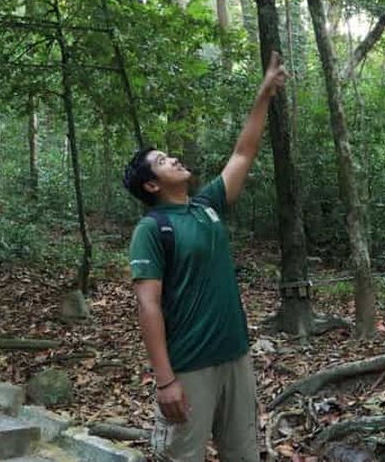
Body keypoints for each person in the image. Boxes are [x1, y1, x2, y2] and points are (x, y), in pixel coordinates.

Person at [122, 52, 287, 462]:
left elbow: (243, 154)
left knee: (244, 454)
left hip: (236, 357)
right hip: (190, 367)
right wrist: (165, 381)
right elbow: (148, 305)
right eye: (162, 161)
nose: (174, 159)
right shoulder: (152, 229)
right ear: (151, 186)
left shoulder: (206, 205)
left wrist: (264, 94)